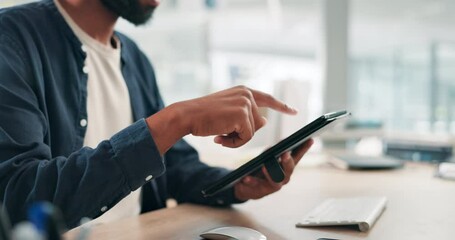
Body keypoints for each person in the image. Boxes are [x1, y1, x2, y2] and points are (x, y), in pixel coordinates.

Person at [0, 0, 314, 229]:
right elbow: (19, 196)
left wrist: (237, 185)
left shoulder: (134, 58)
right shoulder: (10, 39)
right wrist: (176, 120)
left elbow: (175, 167)